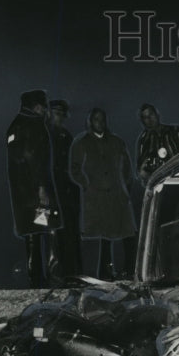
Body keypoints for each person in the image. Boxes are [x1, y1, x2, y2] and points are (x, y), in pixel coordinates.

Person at [69, 107, 137, 280]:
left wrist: (125, 188)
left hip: (118, 196)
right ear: (90, 122)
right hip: (96, 198)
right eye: (96, 119)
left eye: (102, 119)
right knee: (102, 237)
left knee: (126, 233)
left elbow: (128, 168)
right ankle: (104, 274)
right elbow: (74, 169)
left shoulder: (116, 141)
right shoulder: (81, 142)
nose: (100, 123)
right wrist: (86, 184)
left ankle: (129, 270)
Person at [6, 89, 62, 288]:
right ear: (37, 106)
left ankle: (36, 279)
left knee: (32, 233)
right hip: (37, 191)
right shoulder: (34, 125)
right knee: (50, 229)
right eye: (43, 105)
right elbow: (34, 158)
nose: (45, 110)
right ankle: (54, 278)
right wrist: (41, 188)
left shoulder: (15, 125)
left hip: (22, 195)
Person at [47, 99, 83, 279]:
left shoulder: (66, 136)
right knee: (51, 233)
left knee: (69, 231)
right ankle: (54, 273)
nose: (59, 117)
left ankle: (71, 272)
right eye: (56, 113)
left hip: (66, 190)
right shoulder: (43, 134)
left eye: (62, 114)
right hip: (49, 189)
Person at [136, 103, 179, 185]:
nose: (149, 119)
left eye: (151, 114)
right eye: (145, 117)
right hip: (156, 185)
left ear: (157, 114)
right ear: (142, 121)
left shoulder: (175, 131)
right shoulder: (144, 139)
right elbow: (140, 170)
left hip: (177, 180)